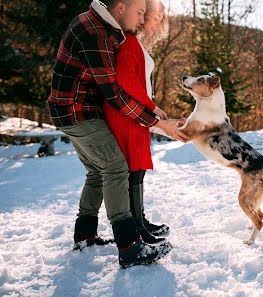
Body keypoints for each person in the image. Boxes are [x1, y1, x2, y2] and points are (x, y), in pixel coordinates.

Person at [47, 0, 188, 268]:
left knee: (97, 172)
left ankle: (85, 235)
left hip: (73, 110)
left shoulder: (102, 26)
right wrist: (156, 122)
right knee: (114, 168)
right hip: (77, 112)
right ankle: (129, 247)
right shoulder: (96, 33)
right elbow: (114, 94)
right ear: (121, 8)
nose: (141, 20)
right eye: (139, 13)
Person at [103, 0, 171, 245]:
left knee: (138, 170)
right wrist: (151, 107)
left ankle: (139, 221)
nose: (157, 22)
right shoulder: (129, 40)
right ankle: (136, 228)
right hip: (129, 114)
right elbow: (127, 79)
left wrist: (151, 106)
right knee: (133, 170)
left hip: (137, 113)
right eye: (155, 16)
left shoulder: (135, 41)